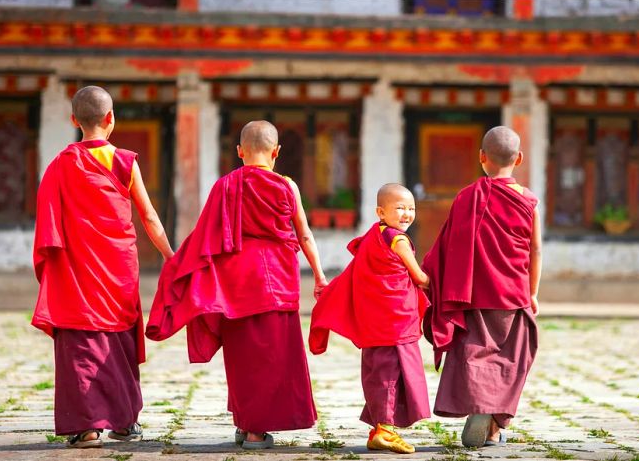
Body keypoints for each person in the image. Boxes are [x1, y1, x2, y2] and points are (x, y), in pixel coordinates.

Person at [146, 120, 327, 449]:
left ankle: (247, 425)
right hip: (278, 281)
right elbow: (304, 235)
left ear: (240, 151)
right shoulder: (287, 186)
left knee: (243, 358)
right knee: (273, 358)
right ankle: (256, 431)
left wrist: (177, 263)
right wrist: (319, 275)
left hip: (237, 286)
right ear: (276, 152)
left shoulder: (225, 185)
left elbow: (204, 237)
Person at [32, 85, 174, 448]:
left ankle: (85, 428)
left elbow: (48, 222)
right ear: (111, 119)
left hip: (77, 271)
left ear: (73, 120)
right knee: (118, 343)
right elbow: (150, 218)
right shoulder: (125, 162)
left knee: (80, 341)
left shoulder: (62, 164)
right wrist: (172, 258)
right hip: (118, 269)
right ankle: (124, 423)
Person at [422, 125, 542, 448]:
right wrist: (532, 292)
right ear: (518, 159)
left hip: (476, 294)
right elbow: (536, 250)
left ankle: (480, 409)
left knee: (475, 352)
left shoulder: (467, 197)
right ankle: (494, 423)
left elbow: (448, 246)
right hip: (514, 295)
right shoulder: (529, 201)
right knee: (515, 356)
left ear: (481, 157)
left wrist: (431, 278)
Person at [309, 183, 431, 454]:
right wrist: (437, 282)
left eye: (411, 208)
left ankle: (379, 429)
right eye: (399, 208)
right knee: (391, 374)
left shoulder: (374, 235)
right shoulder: (399, 241)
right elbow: (419, 277)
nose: (407, 214)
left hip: (377, 320)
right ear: (380, 211)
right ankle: (386, 431)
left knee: (378, 372)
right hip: (395, 321)